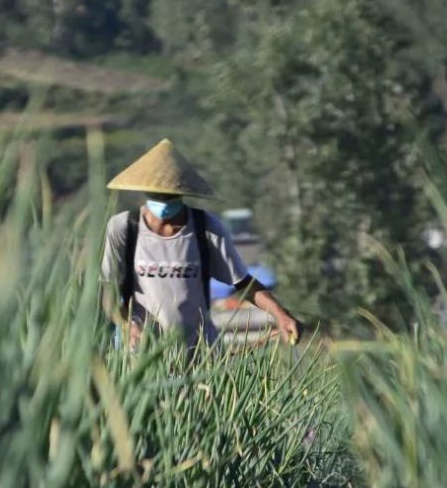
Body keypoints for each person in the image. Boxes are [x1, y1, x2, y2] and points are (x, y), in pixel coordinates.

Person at [100, 139, 300, 350]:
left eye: (171, 196)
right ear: (146, 193)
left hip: (198, 350)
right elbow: (108, 291)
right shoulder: (123, 227)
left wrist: (281, 315)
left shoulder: (205, 226)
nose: (164, 201)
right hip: (141, 350)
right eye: (158, 195)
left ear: (182, 194)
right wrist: (126, 326)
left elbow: (243, 283)